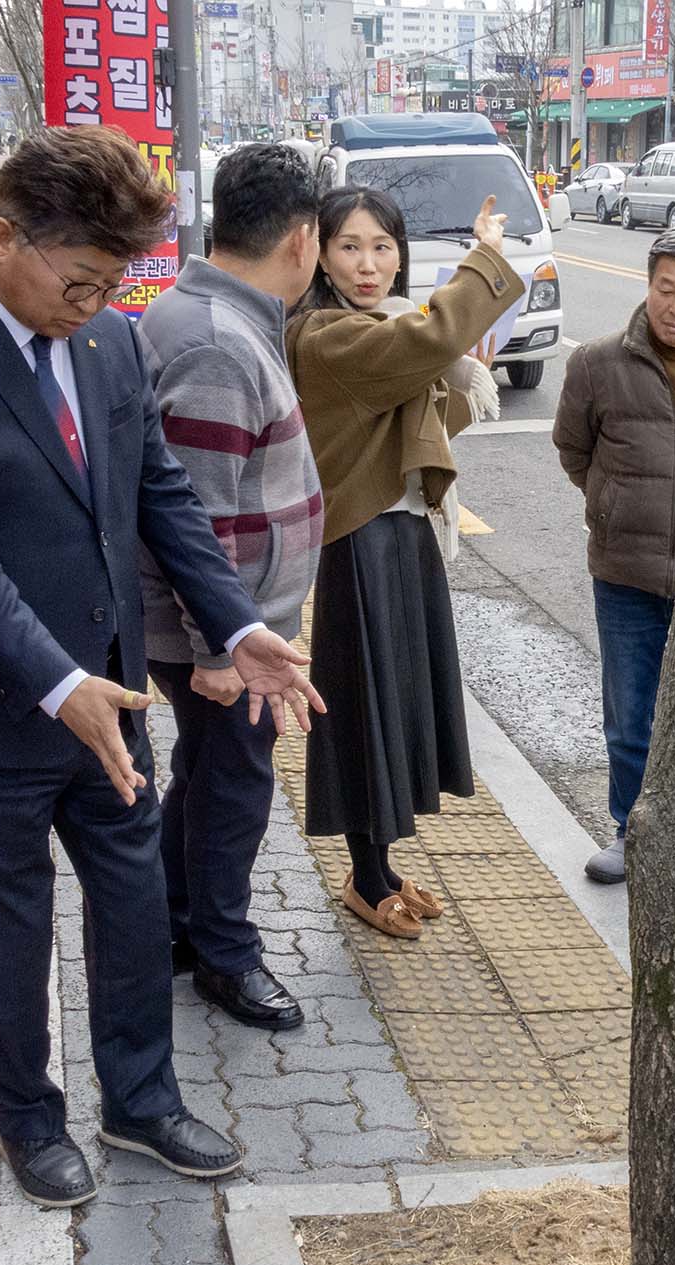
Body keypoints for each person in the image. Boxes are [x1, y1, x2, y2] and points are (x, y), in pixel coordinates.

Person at [0, 126, 322, 1210]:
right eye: (80, 280)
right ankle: (27, 1119)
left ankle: (141, 1100)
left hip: (113, 696)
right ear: (4, 235)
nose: (94, 303)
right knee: (8, 929)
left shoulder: (107, 343)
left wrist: (235, 624)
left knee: (133, 902)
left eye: (113, 284)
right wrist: (62, 687)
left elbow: (162, 495)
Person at [286, 187, 523, 940]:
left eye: (383, 246)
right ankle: (363, 876)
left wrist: (450, 379)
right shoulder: (326, 335)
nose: (369, 263)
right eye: (350, 246)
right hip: (358, 542)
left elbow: (412, 422)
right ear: (320, 253)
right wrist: (484, 258)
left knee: (398, 707)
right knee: (364, 711)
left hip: (400, 536)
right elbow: (424, 344)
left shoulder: (368, 329)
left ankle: (382, 868)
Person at [136, 144, 324, 1028]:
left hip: (230, 628)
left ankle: (177, 926)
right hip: (222, 638)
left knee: (206, 774)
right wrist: (219, 649)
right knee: (233, 788)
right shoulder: (216, 341)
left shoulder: (217, 313)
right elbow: (198, 514)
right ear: (302, 238)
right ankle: (223, 952)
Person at [552, 226, 675, 884]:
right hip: (625, 575)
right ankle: (633, 829)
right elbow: (574, 450)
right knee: (630, 716)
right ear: (647, 286)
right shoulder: (597, 363)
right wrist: (614, 503)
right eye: (664, 289)